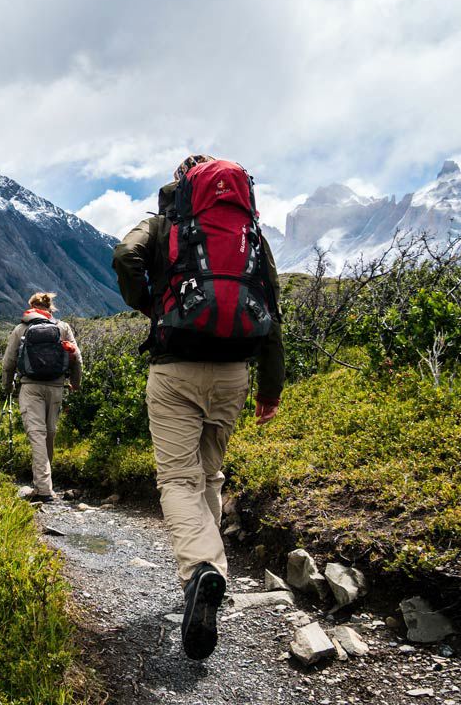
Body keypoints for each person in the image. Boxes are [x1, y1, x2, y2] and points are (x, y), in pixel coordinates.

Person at [112, 154, 285, 660]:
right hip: (234, 372)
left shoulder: (165, 223)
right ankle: (210, 573)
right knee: (210, 475)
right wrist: (270, 389)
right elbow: (271, 307)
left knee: (177, 480)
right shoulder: (248, 233)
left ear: (182, 184)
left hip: (175, 368)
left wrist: (147, 302)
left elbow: (125, 256)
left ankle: (201, 572)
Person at [1, 292, 83, 504]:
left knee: (36, 434)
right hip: (56, 387)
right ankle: (45, 484)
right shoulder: (62, 327)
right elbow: (77, 358)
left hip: (30, 387)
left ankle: (44, 489)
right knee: (49, 434)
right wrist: (75, 383)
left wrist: (8, 386)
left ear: (31, 307)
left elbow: (8, 363)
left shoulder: (21, 329)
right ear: (50, 308)